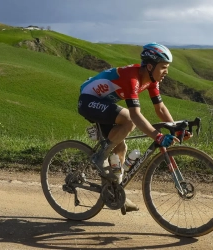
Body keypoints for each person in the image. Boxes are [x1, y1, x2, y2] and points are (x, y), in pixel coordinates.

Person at [78, 42, 192, 212]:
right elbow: (135, 115)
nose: (166, 72)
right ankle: (99, 156)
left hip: (105, 102)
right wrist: (158, 136)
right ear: (150, 66)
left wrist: (175, 128)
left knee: (121, 148)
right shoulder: (131, 79)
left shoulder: (152, 80)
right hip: (88, 100)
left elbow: (160, 108)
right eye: (163, 67)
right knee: (129, 121)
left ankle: (115, 192)